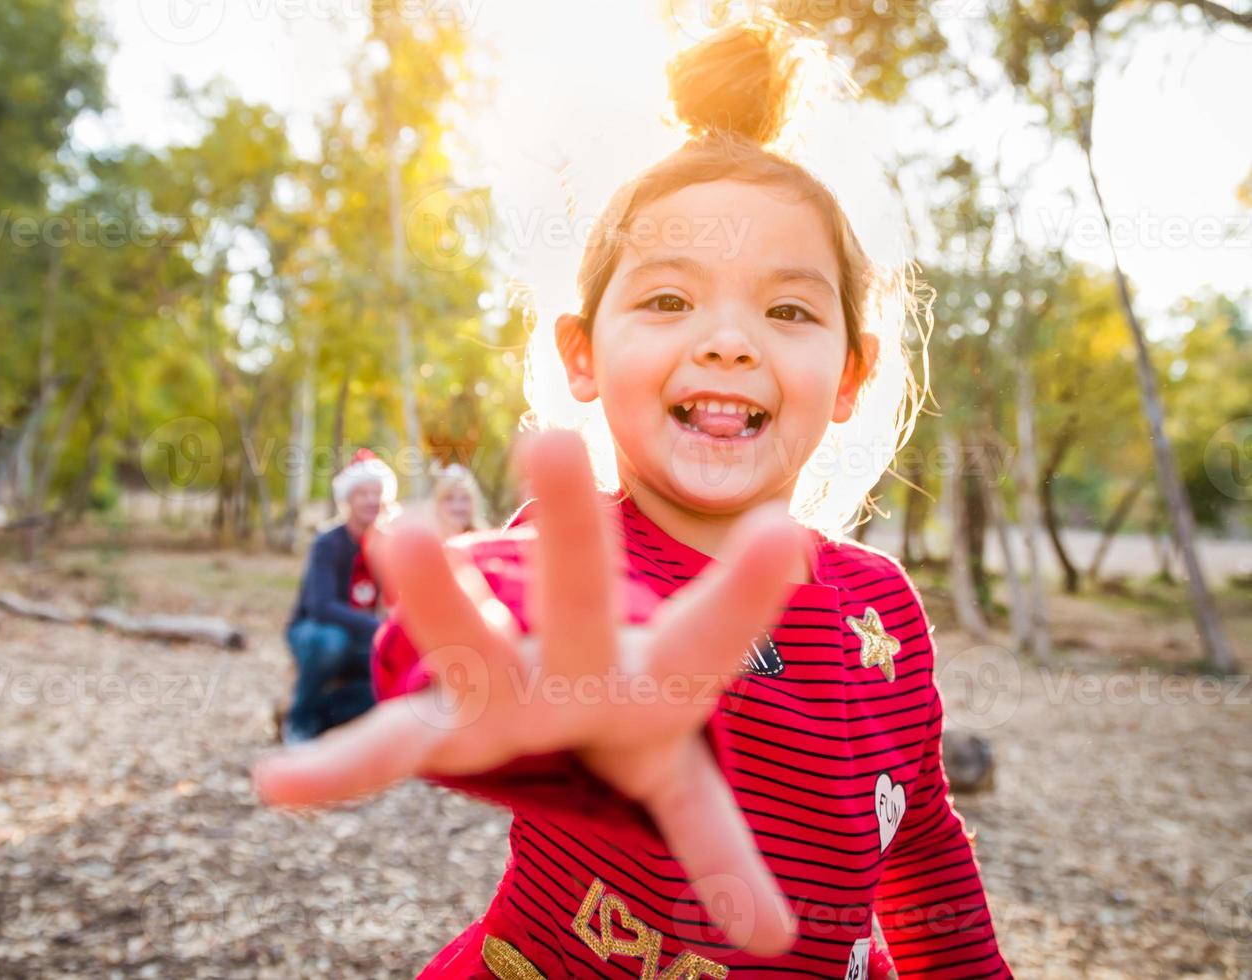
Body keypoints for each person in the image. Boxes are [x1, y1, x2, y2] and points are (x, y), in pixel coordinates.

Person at [255, 19, 1012, 979]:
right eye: (668, 300)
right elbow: (484, 636)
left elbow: (922, 853)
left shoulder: (885, 607)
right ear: (583, 352)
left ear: (853, 373)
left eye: (787, 309)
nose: (729, 341)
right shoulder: (577, 558)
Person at [281, 449, 395, 744]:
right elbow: (321, 607)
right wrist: (374, 626)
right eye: (363, 493)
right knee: (332, 641)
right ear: (347, 499)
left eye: (376, 493)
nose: (371, 500)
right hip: (315, 631)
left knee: (393, 677)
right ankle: (298, 721)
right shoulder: (328, 543)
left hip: (362, 637)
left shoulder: (387, 545)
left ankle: (321, 718)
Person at [431, 463, 487, 540]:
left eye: (465, 498)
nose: (457, 506)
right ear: (438, 503)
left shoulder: (484, 540)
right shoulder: (429, 543)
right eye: (449, 498)